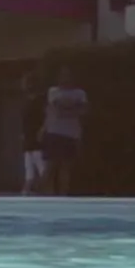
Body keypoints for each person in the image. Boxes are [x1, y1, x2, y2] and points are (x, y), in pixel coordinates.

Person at [41, 67, 89, 196]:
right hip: (54, 132)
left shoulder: (80, 93)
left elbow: (83, 111)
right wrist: (73, 108)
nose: (65, 78)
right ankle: (46, 195)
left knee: (65, 167)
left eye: (68, 75)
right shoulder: (53, 91)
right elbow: (57, 111)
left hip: (71, 134)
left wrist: (67, 109)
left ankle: (63, 195)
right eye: (63, 75)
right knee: (50, 166)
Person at [20, 73, 46, 195]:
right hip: (28, 138)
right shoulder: (26, 101)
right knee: (29, 170)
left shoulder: (40, 100)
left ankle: (45, 192)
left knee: (42, 168)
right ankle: (26, 191)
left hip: (37, 138)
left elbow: (46, 117)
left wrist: (42, 130)